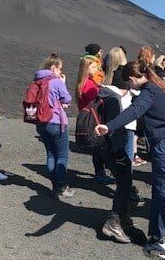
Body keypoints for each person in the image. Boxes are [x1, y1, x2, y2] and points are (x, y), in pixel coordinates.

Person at [96, 62, 165, 260]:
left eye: (129, 82)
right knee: (159, 193)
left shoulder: (149, 92)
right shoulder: (159, 88)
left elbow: (134, 111)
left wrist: (110, 126)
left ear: (132, 79)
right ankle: (158, 237)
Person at [98, 79, 139, 243]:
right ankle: (114, 221)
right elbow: (113, 129)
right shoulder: (114, 100)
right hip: (114, 149)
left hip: (106, 148)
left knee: (125, 183)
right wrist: (120, 154)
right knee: (124, 183)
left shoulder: (105, 94)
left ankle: (121, 216)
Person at [33, 54, 74, 197]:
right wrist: (62, 82)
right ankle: (61, 187)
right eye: (59, 69)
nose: (61, 72)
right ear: (53, 68)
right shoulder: (55, 81)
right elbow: (67, 98)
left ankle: (55, 185)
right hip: (56, 122)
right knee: (62, 156)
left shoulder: (37, 80)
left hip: (40, 122)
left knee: (51, 154)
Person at [76, 57, 115, 185]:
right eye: (93, 67)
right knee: (100, 147)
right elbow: (97, 100)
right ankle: (101, 173)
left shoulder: (84, 82)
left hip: (89, 118)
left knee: (98, 148)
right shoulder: (89, 84)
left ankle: (101, 172)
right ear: (86, 69)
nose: (96, 70)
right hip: (93, 119)